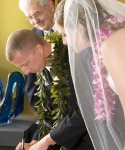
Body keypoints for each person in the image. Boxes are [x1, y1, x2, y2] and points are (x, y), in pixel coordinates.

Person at [16, 0, 94, 149]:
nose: (34, 20)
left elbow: (89, 101)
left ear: (50, 6)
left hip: (85, 130)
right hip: (60, 130)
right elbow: (36, 96)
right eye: (29, 17)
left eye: (37, 13)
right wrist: (40, 139)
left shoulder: (80, 35)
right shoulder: (31, 39)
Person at [54, 0, 125, 149]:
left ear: (79, 29)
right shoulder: (104, 44)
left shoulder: (111, 45)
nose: (65, 42)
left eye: (65, 35)